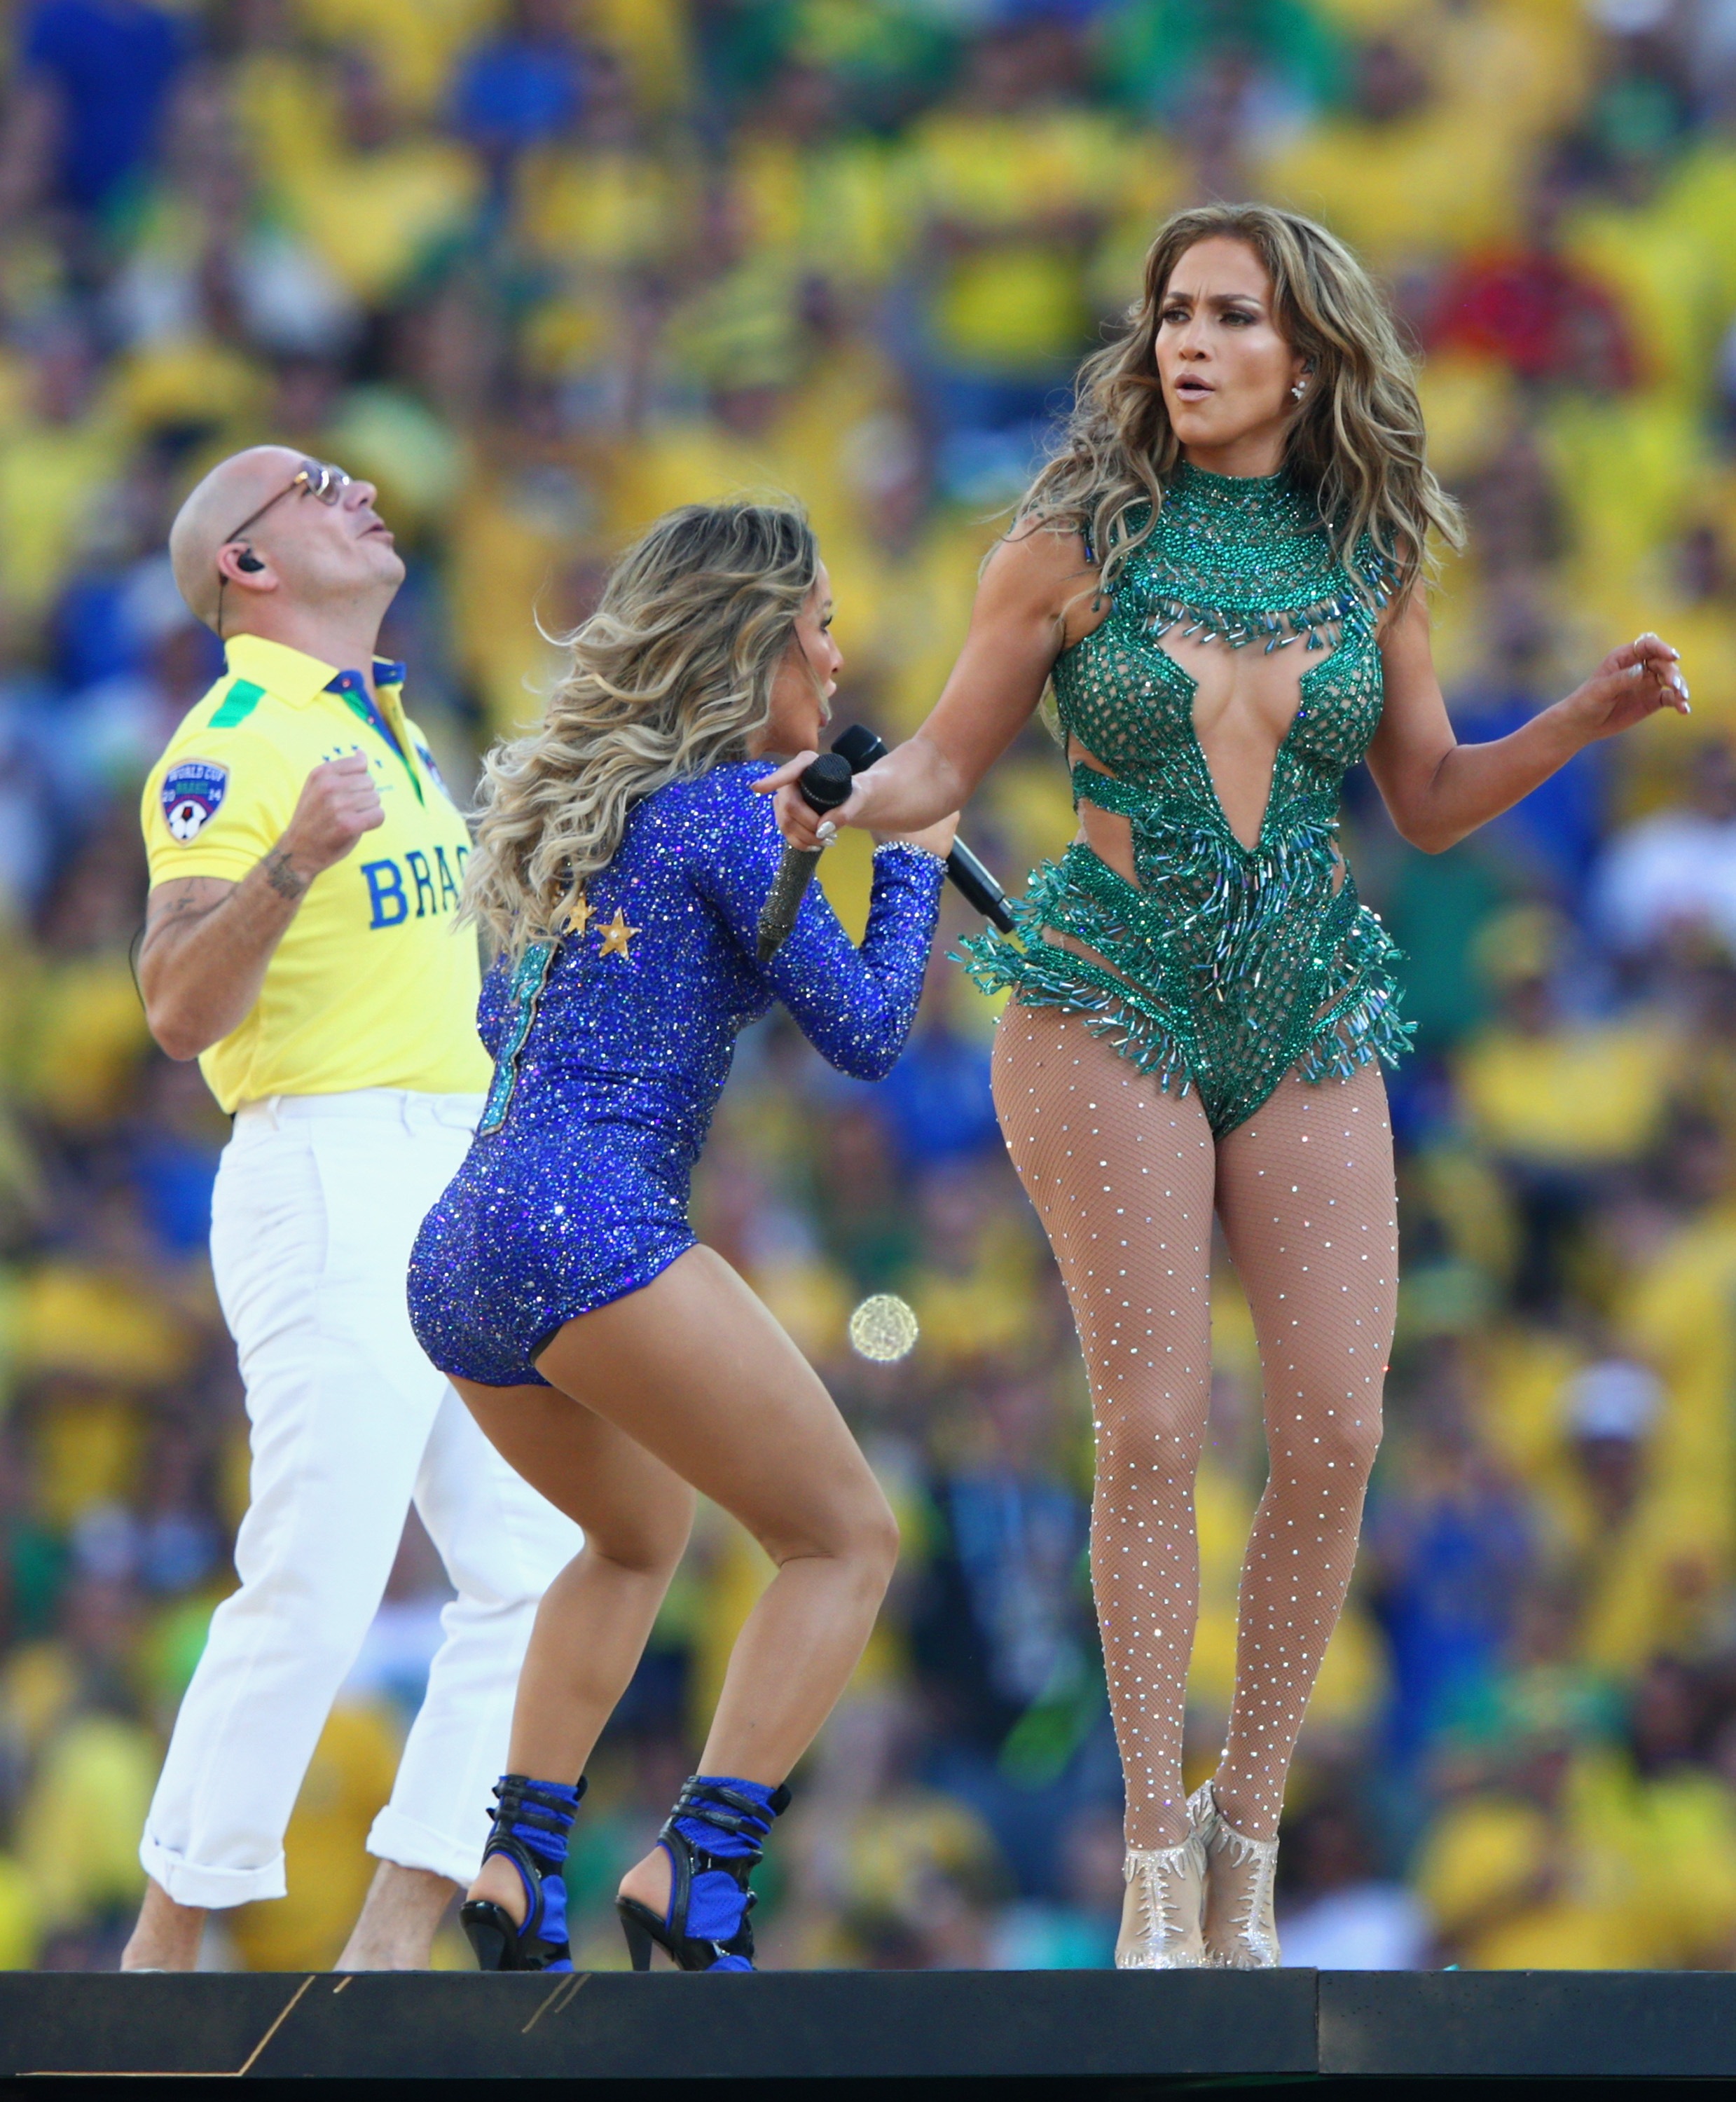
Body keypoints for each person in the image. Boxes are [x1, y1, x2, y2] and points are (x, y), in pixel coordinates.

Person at [763, 201, 1688, 1969]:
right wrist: (834, 797)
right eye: (1172, 313)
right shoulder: (1066, 543)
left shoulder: (1371, 551)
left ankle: (1244, 1832)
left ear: (1306, 351)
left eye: (1232, 317)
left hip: (1309, 998)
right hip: (1113, 985)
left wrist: (1577, 719)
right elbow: (948, 759)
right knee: (1162, 1429)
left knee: (1339, 1426)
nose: (1189, 342)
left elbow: (1421, 796)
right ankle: (1148, 1860)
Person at [407, 502, 956, 1972]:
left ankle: (522, 1863)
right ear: (750, 639)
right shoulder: (723, 818)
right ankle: (700, 1864)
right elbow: (868, 1033)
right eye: (820, 627)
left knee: (634, 1539)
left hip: (462, 1248)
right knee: (844, 1540)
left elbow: (505, 1019)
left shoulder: (552, 821)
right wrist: (905, 851)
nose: (839, 664)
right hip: (596, 1227)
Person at [125, 446, 579, 1972]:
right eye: (318, 486)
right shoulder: (239, 739)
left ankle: (395, 1936)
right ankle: (164, 1947)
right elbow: (177, 1005)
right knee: (317, 1567)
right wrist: (289, 863)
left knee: (542, 1566)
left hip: (451, 1164)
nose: (363, 491)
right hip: (329, 1162)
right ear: (246, 567)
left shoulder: (383, 724)